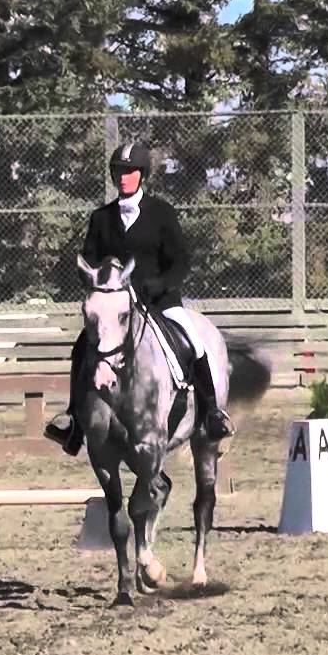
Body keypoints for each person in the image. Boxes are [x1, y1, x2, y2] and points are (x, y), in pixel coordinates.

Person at [44, 142, 235, 456]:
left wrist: (158, 285)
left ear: (142, 175)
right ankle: (74, 420)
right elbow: (90, 259)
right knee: (82, 346)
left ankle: (212, 412)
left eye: (129, 171)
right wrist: (94, 280)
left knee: (195, 343)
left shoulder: (161, 212)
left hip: (160, 302)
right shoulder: (100, 218)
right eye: (118, 171)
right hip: (117, 309)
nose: (123, 177)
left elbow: (181, 261)